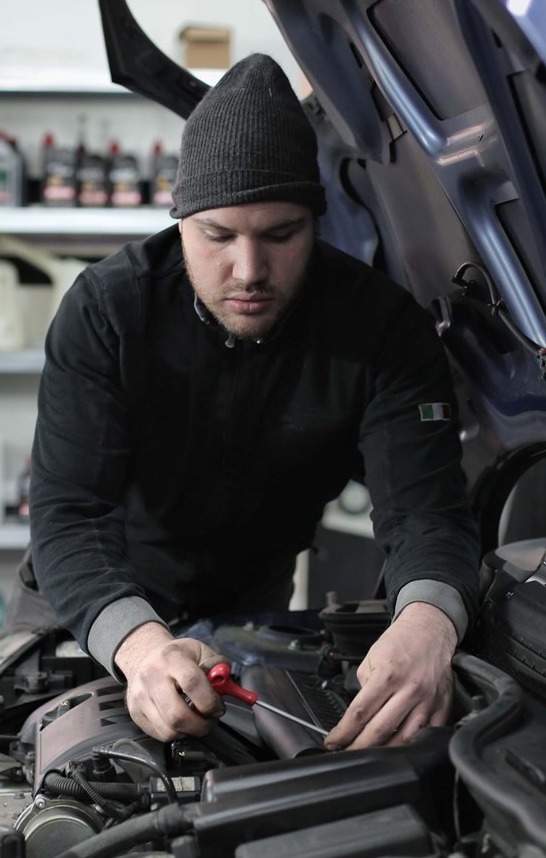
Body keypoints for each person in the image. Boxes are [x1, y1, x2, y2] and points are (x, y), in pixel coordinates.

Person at [26, 53, 480, 750]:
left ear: (315, 220)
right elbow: (69, 517)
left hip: (249, 616)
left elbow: (426, 510)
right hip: (89, 606)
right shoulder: (108, 312)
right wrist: (142, 646)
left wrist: (427, 625)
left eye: (280, 234)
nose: (249, 270)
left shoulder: (381, 330)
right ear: (179, 222)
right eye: (218, 236)